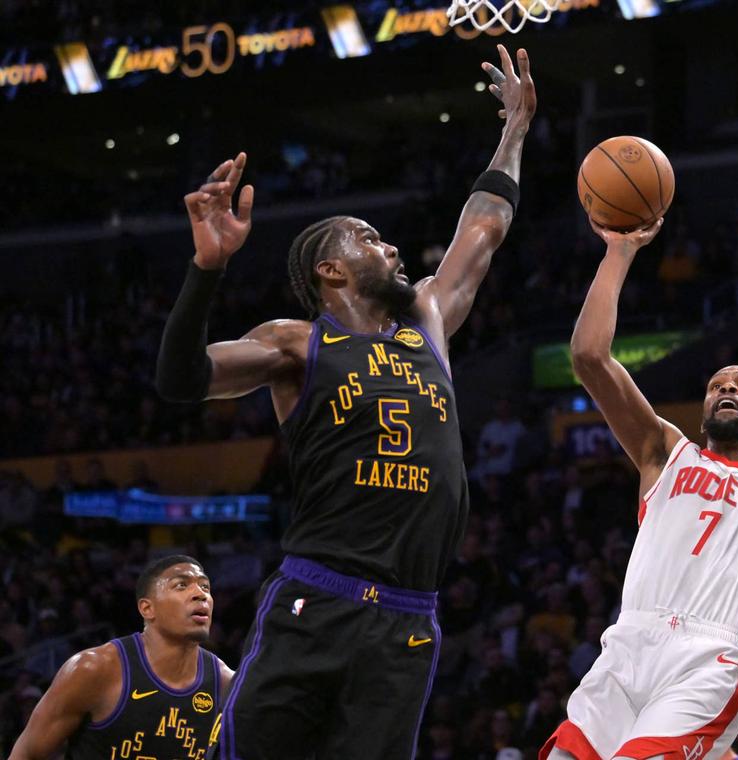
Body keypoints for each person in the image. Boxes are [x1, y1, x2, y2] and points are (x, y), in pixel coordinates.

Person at [155, 46, 536, 760]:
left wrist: (514, 131)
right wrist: (207, 270)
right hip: (316, 599)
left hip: (407, 617)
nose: (388, 245)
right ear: (330, 269)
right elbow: (180, 382)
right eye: (366, 238)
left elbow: (483, 227)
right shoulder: (297, 345)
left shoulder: (425, 321)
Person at [542, 203, 738, 759]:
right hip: (626, 644)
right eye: (717, 384)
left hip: (707, 656)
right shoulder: (664, 452)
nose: (728, 388)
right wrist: (619, 254)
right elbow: (590, 357)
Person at [10, 555, 231, 760]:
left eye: (205, 587)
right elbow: (25, 755)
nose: (200, 594)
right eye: (181, 585)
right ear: (147, 608)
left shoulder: (226, 683)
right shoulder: (94, 669)